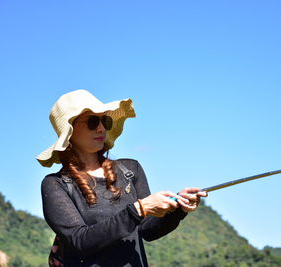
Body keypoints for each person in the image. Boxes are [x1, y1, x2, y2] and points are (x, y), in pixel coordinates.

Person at [37, 89, 207, 266]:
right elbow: (80, 240)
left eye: (105, 120)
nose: (101, 127)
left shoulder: (130, 169)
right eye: (92, 121)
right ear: (70, 131)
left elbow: (148, 229)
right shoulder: (55, 184)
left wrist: (178, 209)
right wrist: (138, 210)